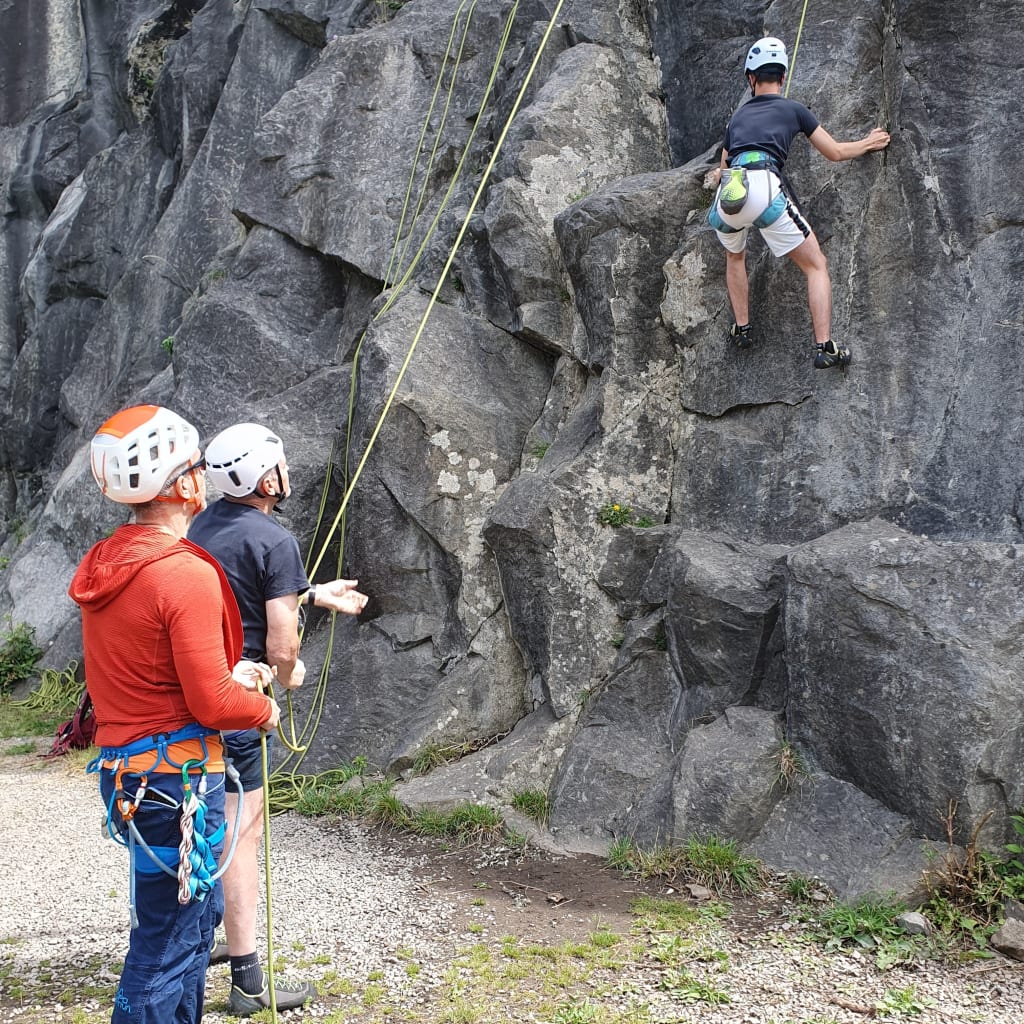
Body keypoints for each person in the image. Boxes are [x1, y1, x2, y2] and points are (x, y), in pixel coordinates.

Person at [69, 405, 281, 1024]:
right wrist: (260, 706)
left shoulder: (110, 561)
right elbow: (214, 704)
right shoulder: (183, 573)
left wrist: (226, 676)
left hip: (134, 774)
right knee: (166, 942)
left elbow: (156, 670)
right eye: (196, 469)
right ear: (185, 485)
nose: (202, 480)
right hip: (178, 781)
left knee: (186, 930)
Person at [187, 422, 368, 1017]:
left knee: (206, 816)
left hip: (198, 693)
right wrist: (288, 678)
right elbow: (283, 645)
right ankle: (247, 983)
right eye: (280, 463)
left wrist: (310, 593)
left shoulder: (199, 527)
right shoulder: (275, 539)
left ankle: (201, 935)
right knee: (242, 834)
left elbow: (238, 588)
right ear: (266, 477)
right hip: (241, 700)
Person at [708, 36, 890, 368]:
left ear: (751, 78)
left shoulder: (736, 119)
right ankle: (824, 348)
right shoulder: (794, 109)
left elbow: (723, 169)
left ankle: (742, 329)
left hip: (729, 195)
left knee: (735, 257)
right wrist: (867, 143)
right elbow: (834, 152)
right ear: (782, 77)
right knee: (815, 264)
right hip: (763, 187)